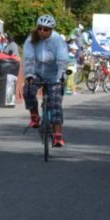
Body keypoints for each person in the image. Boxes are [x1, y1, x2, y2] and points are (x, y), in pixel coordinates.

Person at [22, 14, 69, 146]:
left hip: (54, 74)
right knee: (28, 90)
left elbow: (62, 60)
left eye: (46, 29)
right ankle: (35, 116)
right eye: (40, 28)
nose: (42, 31)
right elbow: (29, 59)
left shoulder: (58, 40)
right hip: (37, 72)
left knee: (55, 103)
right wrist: (29, 75)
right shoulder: (31, 39)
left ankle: (58, 136)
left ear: (51, 30)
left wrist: (60, 77)